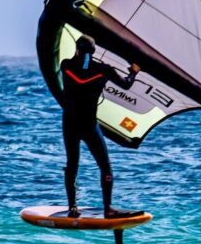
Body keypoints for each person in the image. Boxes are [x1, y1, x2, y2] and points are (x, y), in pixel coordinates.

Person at [60, 34, 141, 218]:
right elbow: (126, 85)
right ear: (93, 51)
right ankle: (108, 208)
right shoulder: (103, 70)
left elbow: (80, 68)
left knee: (72, 165)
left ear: (77, 49)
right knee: (105, 165)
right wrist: (134, 71)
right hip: (88, 124)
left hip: (70, 124)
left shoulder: (65, 66)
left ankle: (73, 208)